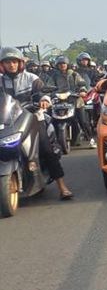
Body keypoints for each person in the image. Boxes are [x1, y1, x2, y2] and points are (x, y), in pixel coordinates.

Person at [0, 47, 73, 199]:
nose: (11, 65)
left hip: (33, 118)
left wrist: (44, 101)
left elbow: (43, 93)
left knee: (47, 150)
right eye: (7, 62)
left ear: (20, 63)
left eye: (14, 62)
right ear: (2, 65)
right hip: (7, 122)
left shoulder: (31, 78)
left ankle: (62, 186)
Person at [47, 55, 96, 148]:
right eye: (60, 64)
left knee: (83, 121)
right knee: (51, 119)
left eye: (64, 64)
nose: (62, 66)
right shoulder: (54, 77)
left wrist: (82, 91)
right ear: (57, 65)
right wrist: (48, 93)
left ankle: (91, 140)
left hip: (76, 100)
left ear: (67, 64)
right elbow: (49, 87)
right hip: (59, 101)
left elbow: (82, 84)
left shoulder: (74, 74)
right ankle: (52, 142)